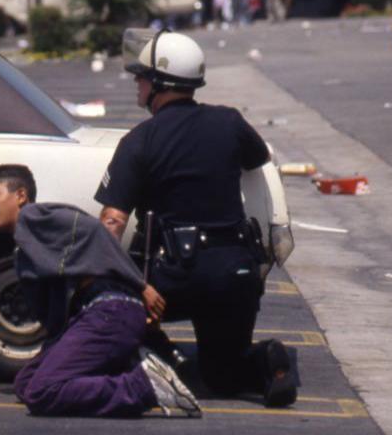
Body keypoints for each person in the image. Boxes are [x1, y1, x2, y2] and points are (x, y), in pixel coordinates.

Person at [95, 29, 298, 408]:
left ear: (158, 82)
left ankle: (171, 362)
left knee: (105, 303)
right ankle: (270, 360)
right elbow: (259, 159)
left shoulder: (140, 140)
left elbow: (111, 224)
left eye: (141, 76)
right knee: (225, 378)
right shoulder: (230, 122)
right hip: (235, 276)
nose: (137, 84)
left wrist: (120, 282)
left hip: (175, 277)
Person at [0, 164, 201, 418]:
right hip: (96, 315)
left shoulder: (32, 217)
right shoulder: (25, 245)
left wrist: (141, 285)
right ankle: (131, 362)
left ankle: (144, 386)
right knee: (26, 383)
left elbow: (95, 231)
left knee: (42, 391)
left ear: (20, 196)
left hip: (109, 310)